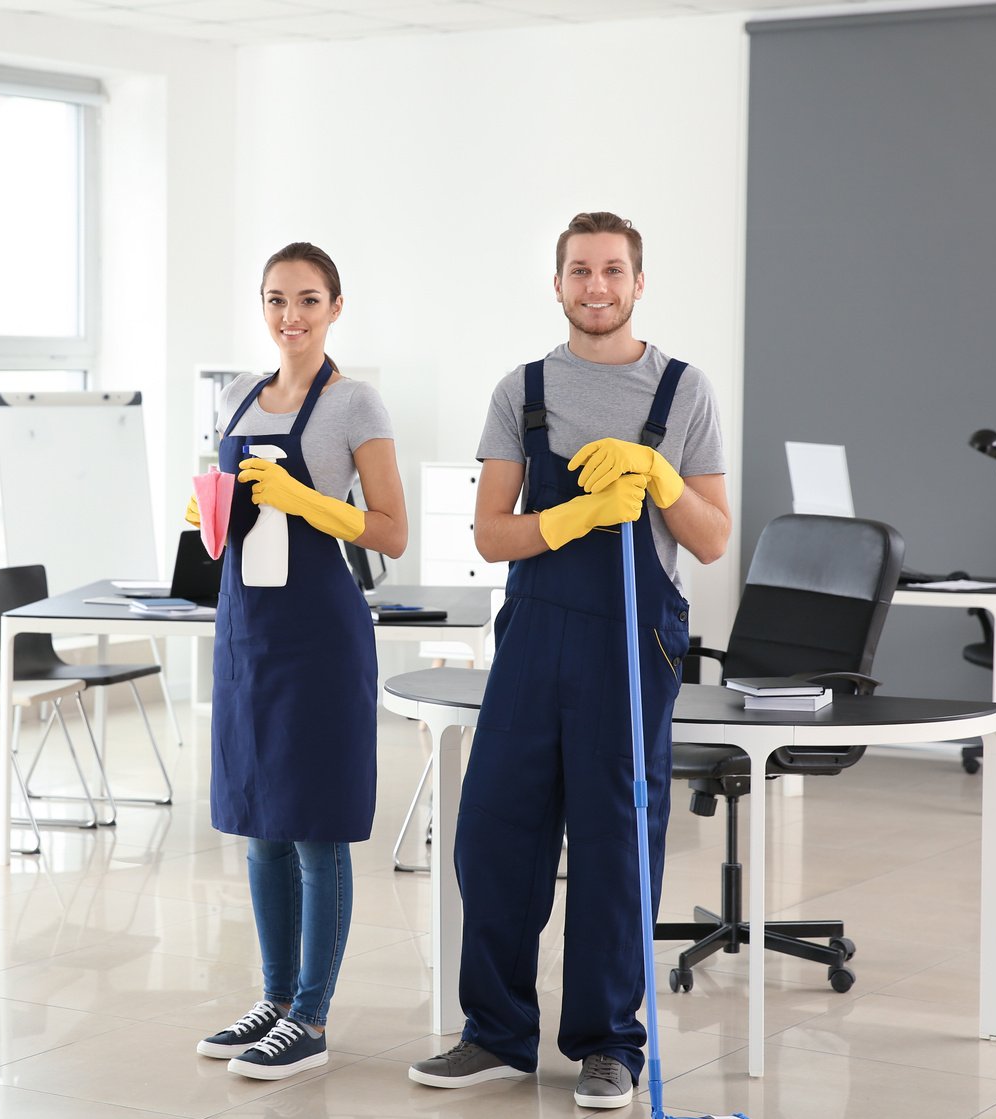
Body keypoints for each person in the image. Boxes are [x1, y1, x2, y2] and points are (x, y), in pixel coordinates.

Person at [409, 213, 730, 1108]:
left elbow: (709, 539)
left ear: (638, 283)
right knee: (494, 834)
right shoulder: (522, 390)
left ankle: (605, 1043)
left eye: (613, 271)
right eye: (579, 271)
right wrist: (572, 518)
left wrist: (661, 479)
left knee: (613, 844)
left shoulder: (682, 391)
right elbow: (489, 533)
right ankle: (496, 1034)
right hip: (533, 641)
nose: (596, 286)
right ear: (556, 284)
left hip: (632, 648)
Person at [188, 243, 408, 1080]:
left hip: (318, 634)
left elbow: (389, 529)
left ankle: (311, 1016)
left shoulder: (355, 403)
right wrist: (207, 508)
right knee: (259, 826)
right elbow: (230, 524)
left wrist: (308, 500)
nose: (291, 316)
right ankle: (273, 1001)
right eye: (277, 300)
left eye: (308, 300)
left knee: (314, 828)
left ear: (336, 307)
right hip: (247, 634)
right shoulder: (243, 396)